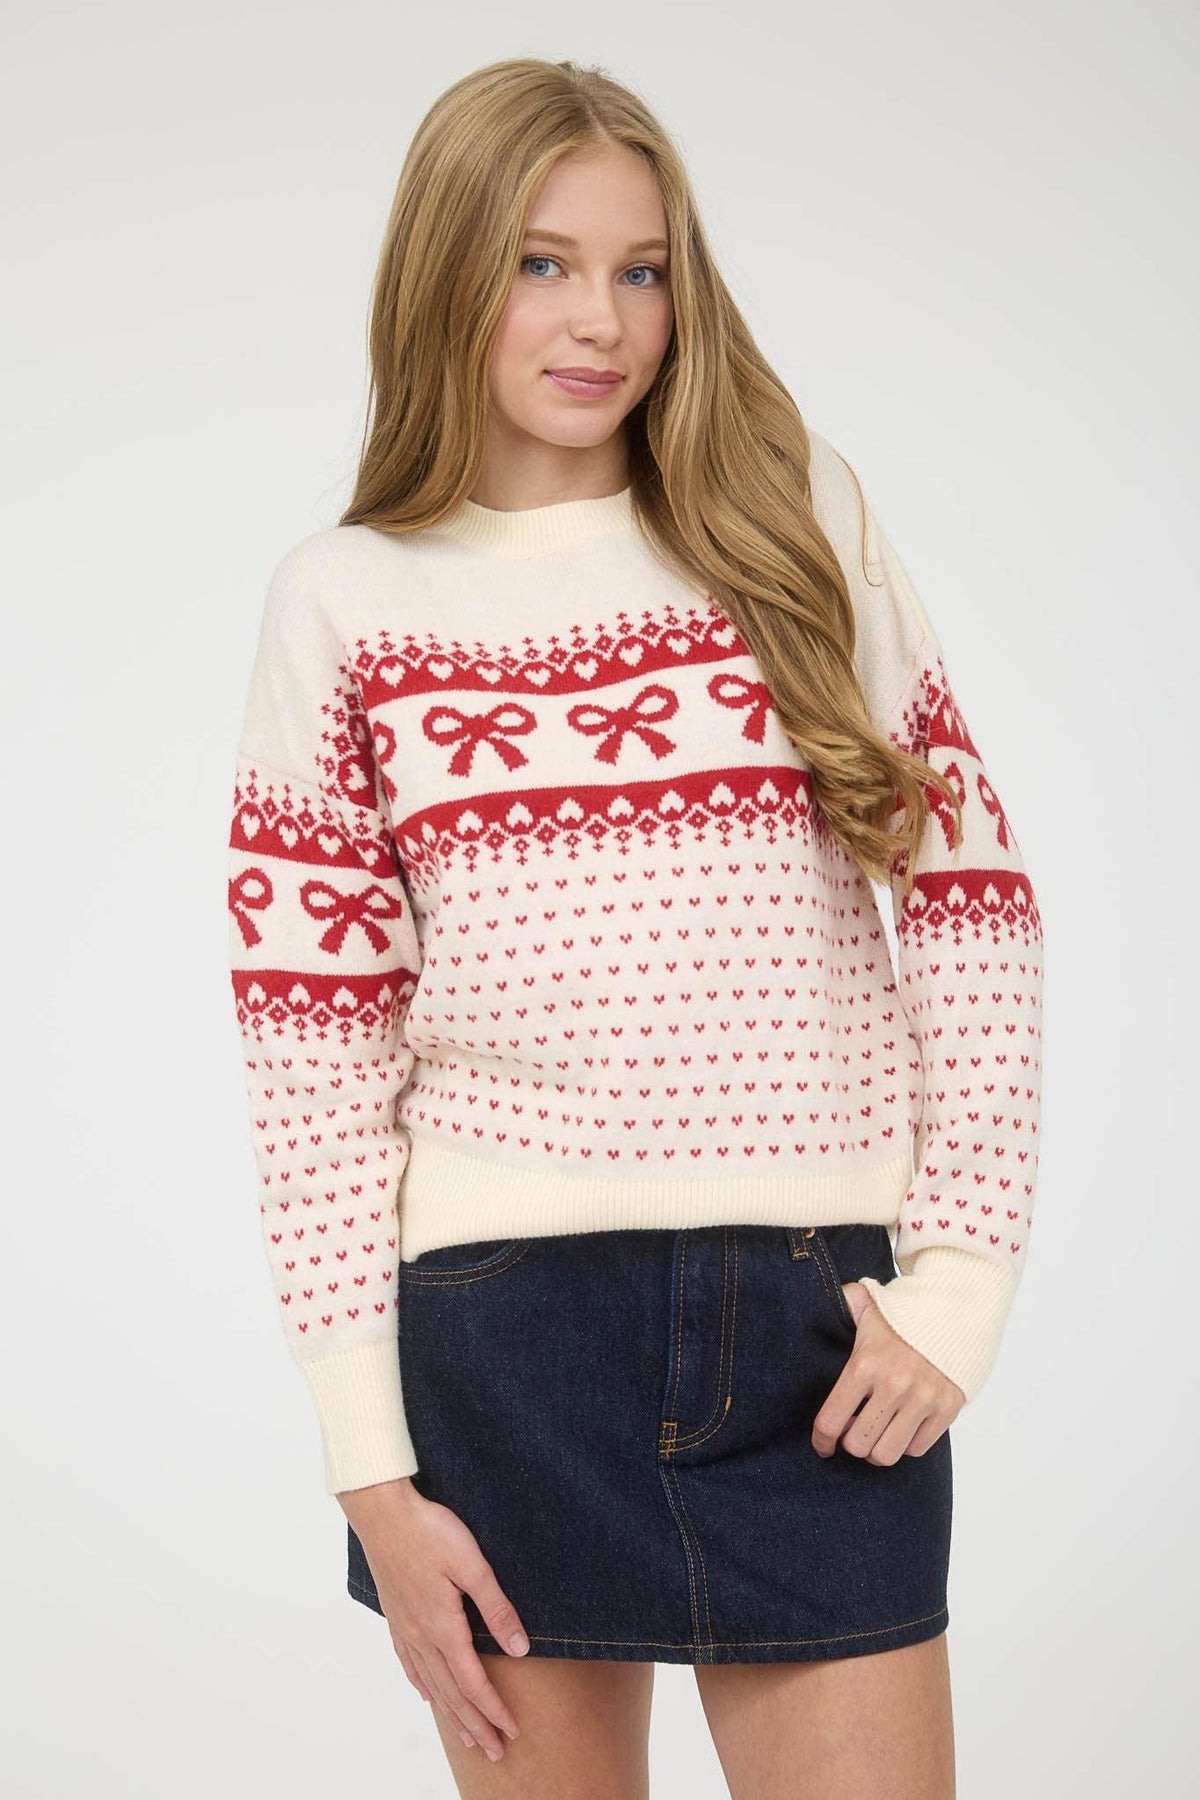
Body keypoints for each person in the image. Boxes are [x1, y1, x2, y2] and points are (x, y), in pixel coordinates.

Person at [225, 55, 1043, 1800]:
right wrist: (372, 1474)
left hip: (818, 1331)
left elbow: (970, 895)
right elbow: (314, 1065)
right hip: (500, 1350)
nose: (601, 318)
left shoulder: (792, 521)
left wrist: (961, 1284)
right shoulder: (344, 602)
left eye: (642, 268)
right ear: (447, 271)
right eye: (543, 262)